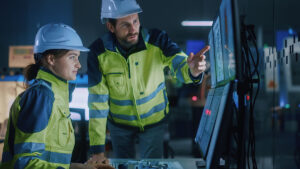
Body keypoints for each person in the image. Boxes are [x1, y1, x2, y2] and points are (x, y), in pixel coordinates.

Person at [87, 0, 209, 161]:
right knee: (124, 165)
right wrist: (97, 150)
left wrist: (191, 71)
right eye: (125, 25)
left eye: (135, 21)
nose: (133, 29)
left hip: (154, 121)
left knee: (151, 165)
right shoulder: (98, 53)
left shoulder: (158, 40)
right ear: (111, 27)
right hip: (119, 125)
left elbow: (179, 63)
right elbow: (97, 103)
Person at [0, 23, 114, 169]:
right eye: (72, 57)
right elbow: (25, 164)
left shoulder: (56, 95)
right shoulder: (41, 97)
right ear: (51, 59)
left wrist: (81, 167)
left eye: (78, 57)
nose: (79, 65)